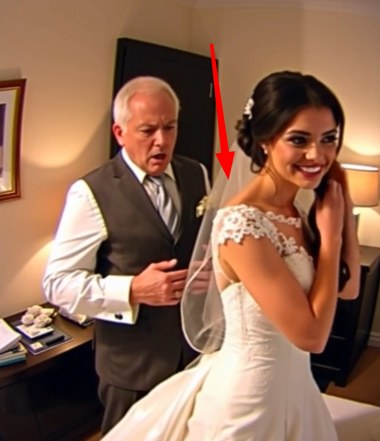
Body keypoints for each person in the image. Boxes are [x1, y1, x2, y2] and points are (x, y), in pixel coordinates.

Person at [101, 70, 361, 441]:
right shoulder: (242, 224)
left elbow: (348, 289)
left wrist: (342, 198)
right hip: (251, 400)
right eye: (299, 139)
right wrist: (331, 238)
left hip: (297, 390)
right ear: (266, 140)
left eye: (328, 138)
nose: (317, 154)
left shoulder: (298, 212)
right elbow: (311, 337)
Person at [42, 76, 210, 434]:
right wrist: (132, 289)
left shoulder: (197, 174)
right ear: (120, 133)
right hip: (133, 369)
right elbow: (57, 284)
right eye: (148, 130)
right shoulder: (90, 192)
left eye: (170, 127)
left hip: (194, 356)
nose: (162, 140)